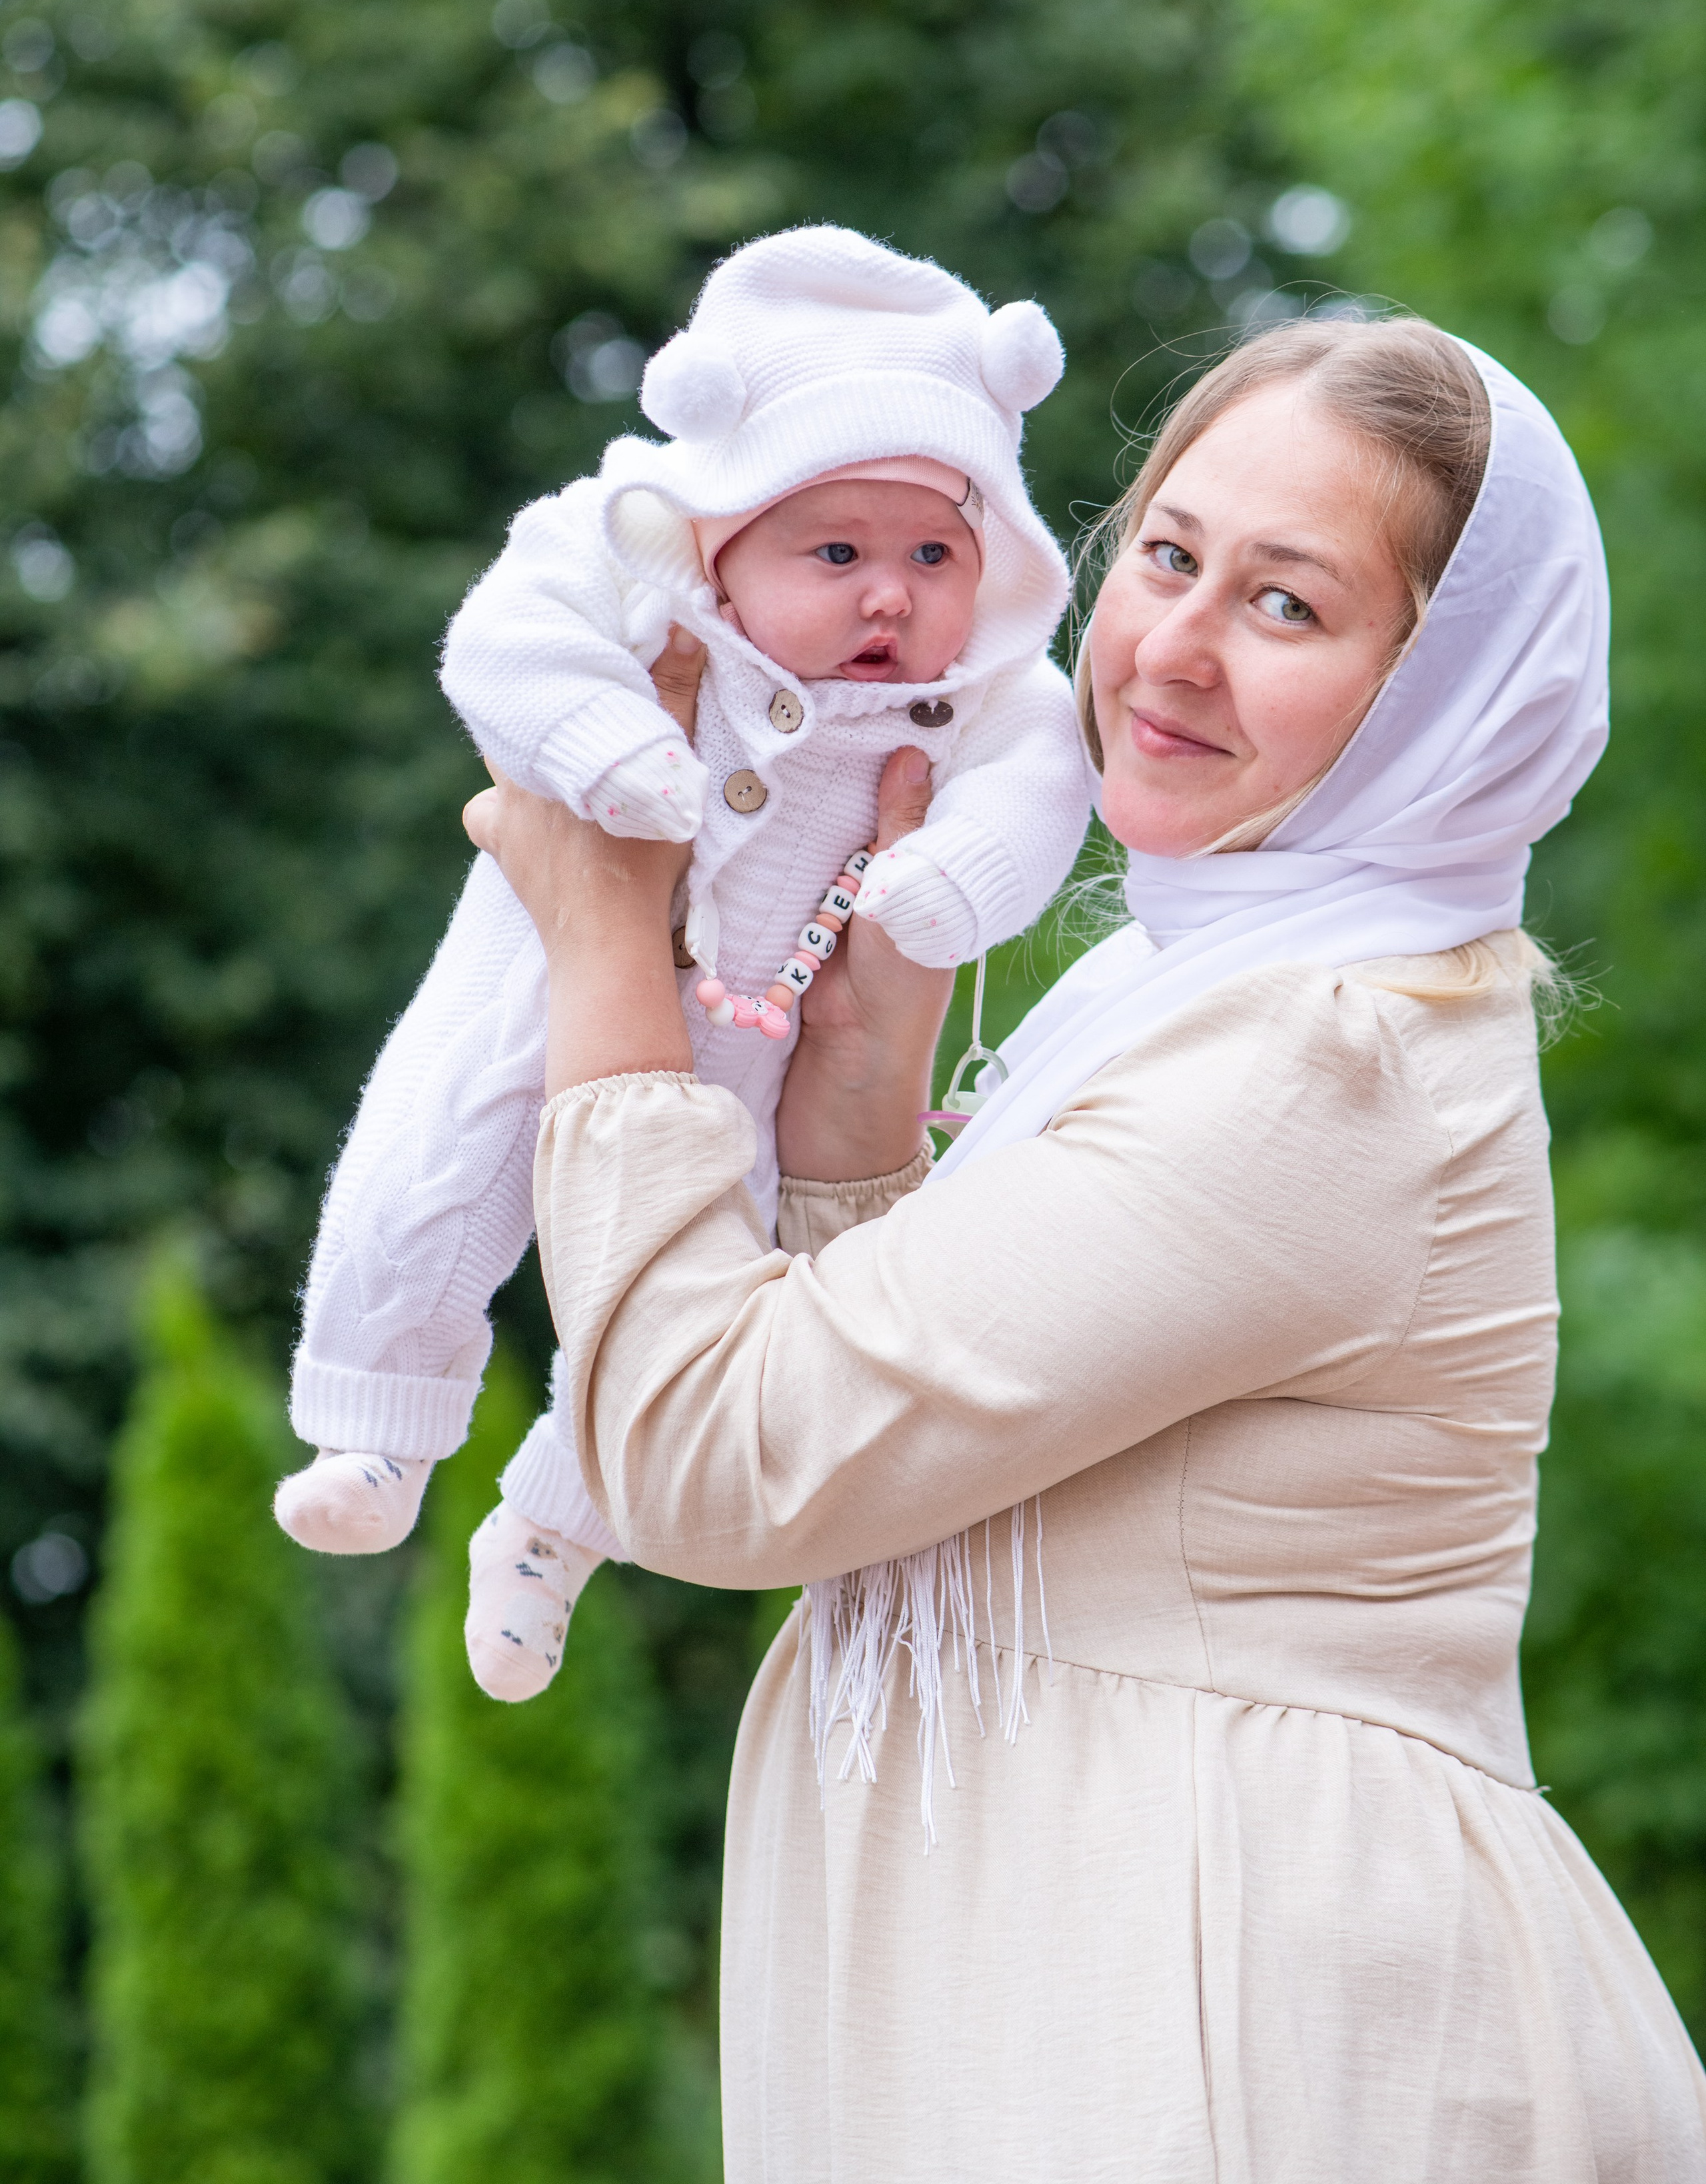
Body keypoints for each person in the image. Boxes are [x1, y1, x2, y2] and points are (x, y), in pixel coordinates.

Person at [465, 314, 1706, 2179]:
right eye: (1167, 553)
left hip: (1248, 2031)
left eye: (1285, 605)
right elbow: (926, 1463)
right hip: (1113, 1982)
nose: (1171, 649)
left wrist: (601, 955)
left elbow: (720, 1460)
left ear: (1447, 693)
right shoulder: (1182, 987)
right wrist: (857, 1107)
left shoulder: (1324, 1060)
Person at [274, 225, 1092, 1703]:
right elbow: (502, 641)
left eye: (932, 555)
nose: (890, 597)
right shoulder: (635, 568)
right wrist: (607, 745)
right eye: (836, 553)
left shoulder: (983, 693)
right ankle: (375, 1419)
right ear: (721, 537)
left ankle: (553, 1532)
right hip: (543, 955)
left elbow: (1045, 784)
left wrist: (950, 882)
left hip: (760, 1050)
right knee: (436, 1148)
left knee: (720, 1280)